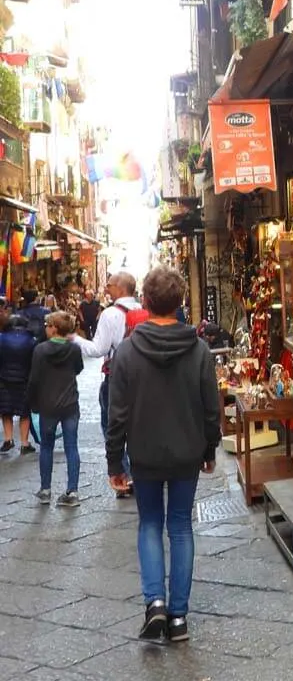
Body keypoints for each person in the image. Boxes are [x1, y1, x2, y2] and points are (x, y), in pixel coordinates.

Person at [106, 267, 220, 643]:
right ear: (180, 302)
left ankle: (155, 602)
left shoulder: (127, 351)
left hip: (145, 454)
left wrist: (114, 462)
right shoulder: (200, 351)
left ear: (147, 302)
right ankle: (178, 619)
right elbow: (210, 406)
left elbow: (117, 413)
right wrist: (209, 447)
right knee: (181, 527)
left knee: (150, 524)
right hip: (187, 451)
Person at [74, 271, 146, 495]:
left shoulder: (110, 314)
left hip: (117, 376)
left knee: (112, 424)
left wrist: (74, 339)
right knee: (138, 424)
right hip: (143, 376)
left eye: (110, 285)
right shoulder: (144, 311)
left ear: (121, 289)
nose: (106, 288)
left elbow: (99, 349)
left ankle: (123, 473)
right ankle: (141, 472)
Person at [28, 311, 84, 506]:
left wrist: (32, 402)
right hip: (69, 403)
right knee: (71, 446)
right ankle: (73, 491)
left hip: (47, 403)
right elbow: (78, 368)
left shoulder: (40, 350)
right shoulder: (74, 349)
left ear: (54, 328)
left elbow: (34, 379)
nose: (45, 327)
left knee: (46, 446)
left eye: (47, 324)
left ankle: (45, 489)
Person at [0, 312, 36, 454]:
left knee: (6, 410)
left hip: (4, 379)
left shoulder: (1, 339)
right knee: (24, 412)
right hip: (25, 380)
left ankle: (8, 439)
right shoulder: (31, 340)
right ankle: (24, 443)